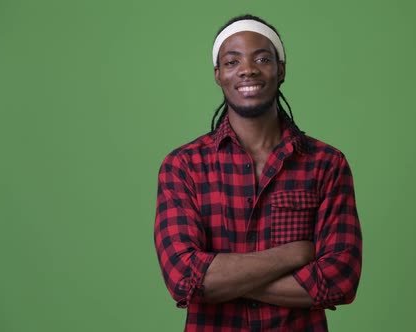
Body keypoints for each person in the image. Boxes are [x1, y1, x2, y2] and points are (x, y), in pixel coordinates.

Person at [154, 14, 362, 331]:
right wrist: (294, 254)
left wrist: (220, 281)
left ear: (281, 70)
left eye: (262, 58)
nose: (248, 69)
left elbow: (339, 280)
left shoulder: (326, 163)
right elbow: (183, 279)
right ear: (218, 75)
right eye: (231, 62)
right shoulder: (184, 166)